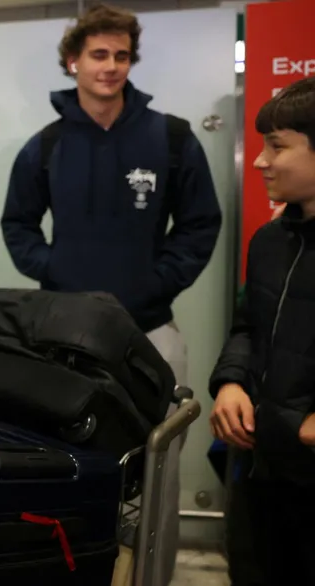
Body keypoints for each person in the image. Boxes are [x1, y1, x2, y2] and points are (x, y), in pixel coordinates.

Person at [0, 4, 222, 584]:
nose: (112, 66)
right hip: (64, 340)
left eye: (122, 55)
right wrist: (57, 274)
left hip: (151, 337)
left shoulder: (170, 138)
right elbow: (17, 224)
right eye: (99, 54)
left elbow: (201, 224)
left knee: (158, 474)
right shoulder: (45, 146)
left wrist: (155, 282)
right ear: (74, 60)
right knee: (68, 467)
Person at [209, 76, 315, 586]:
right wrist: (231, 381)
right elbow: (248, 325)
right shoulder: (270, 241)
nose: (259, 161)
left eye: (277, 146)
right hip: (261, 465)